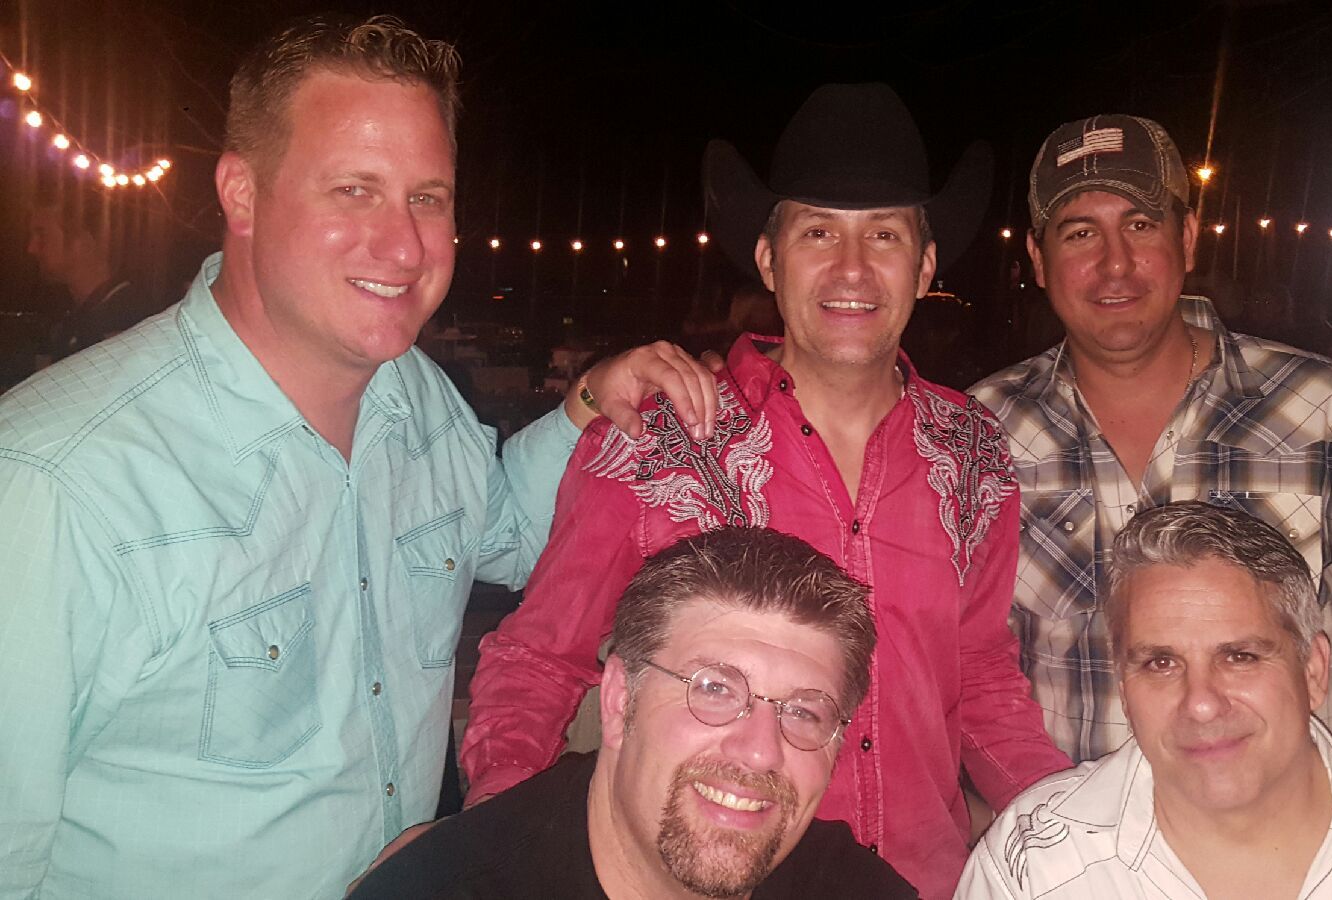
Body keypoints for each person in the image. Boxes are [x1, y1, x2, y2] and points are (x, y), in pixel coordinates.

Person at [0, 15, 717, 899]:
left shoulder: (413, 395)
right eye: (354, 189)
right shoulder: (53, 483)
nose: (406, 245)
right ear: (242, 193)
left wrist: (589, 402)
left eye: (428, 197)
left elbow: (504, 535)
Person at [463, 82, 1071, 899]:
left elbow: (981, 674)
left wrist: (1077, 825)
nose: (852, 267)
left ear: (923, 266)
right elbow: (537, 659)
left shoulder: (973, 452)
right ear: (768, 259)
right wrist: (501, 840)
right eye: (818, 231)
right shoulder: (657, 440)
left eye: (884, 234)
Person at [971, 114, 1332, 796]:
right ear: (1039, 260)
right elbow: (970, 680)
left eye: (1141, 225)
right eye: (1080, 233)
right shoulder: (979, 433)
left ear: (1186, 238)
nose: (1115, 263)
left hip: (1293, 839)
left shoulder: (1330, 412)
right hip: (1077, 846)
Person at [958, 502, 1332, 900]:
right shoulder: (1034, 869)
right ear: (1123, 684)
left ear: (1314, 669)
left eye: (1240, 656)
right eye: (1161, 662)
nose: (1201, 704)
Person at [348, 527, 915, 899]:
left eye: (804, 712)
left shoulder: (857, 890)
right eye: (715, 688)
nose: (761, 750)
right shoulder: (441, 887)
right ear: (621, 699)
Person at [26, 187, 159, 364]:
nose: (31, 248)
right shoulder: (72, 320)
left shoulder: (127, 321)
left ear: (82, 241)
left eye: (41, 235)